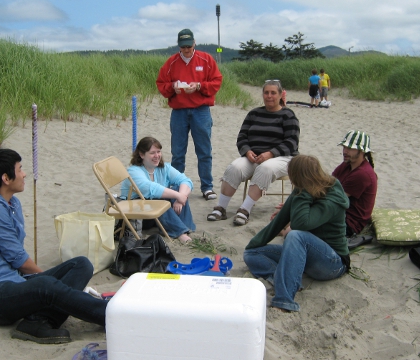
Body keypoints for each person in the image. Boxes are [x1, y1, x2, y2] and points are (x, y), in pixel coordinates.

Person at [0, 149, 107, 344]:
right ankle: (109, 314)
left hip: (15, 283)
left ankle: (38, 322)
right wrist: (49, 283)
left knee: (82, 264)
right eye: (20, 169)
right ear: (6, 178)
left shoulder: (11, 204)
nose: (24, 174)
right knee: (46, 285)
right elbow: (19, 260)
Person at [243, 155, 350, 312]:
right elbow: (280, 219)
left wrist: (304, 193)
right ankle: (285, 279)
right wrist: (255, 244)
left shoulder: (331, 196)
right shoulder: (304, 188)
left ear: (301, 177)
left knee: (295, 235)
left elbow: (301, 224)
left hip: (332, 262)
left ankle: (284, 299)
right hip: (306, 256)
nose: (292, 182)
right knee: (251, 254)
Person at [206, 80, 300, 226]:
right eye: (266, 92)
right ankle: (221, 208)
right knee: (234, 168)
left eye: (273, 93)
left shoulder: (288, 115)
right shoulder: (254, 113)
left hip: (282, 158)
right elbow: (242, 137)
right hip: (254, 156)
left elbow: (291, 142)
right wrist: (247, 151)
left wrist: (271, 153)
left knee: (265, 169)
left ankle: (245, 209)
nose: (269, 96)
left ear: (280, 95)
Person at [156, 28, 223, 201]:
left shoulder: (206, 59)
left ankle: (207, 187)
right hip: (179, 111)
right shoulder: (171, 62)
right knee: (178, 152)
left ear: (194, 43)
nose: (186, 49)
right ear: (179, 46)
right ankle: (177, 187)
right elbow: (162, 83)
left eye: (189, 45)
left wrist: (200, 86)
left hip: (201, 111)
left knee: (204, 151)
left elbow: (216, 81)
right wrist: (173, 88)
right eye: (183, 46)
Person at [121, 137, 196, 244]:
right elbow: (151, 189)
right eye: (152, 153)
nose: (157, 156)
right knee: (157, 197)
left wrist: (181, 197)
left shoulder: (164, 168)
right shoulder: (133, 171)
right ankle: (180, 232)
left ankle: (185, 229)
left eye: (158, 152)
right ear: (142, 155)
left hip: (156, 214)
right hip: (138, 216)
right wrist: (178, 196)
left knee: (179, 189)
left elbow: (185, 180)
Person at [332, 130, 377, 236]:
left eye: (350, 148)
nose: (345, 151)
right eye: (344, 147)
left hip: (349, 224)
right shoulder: (347, 164)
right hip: (338, 213)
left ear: (362, 151)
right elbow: (328, 182)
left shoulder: (362, 174)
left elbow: (334, 199)